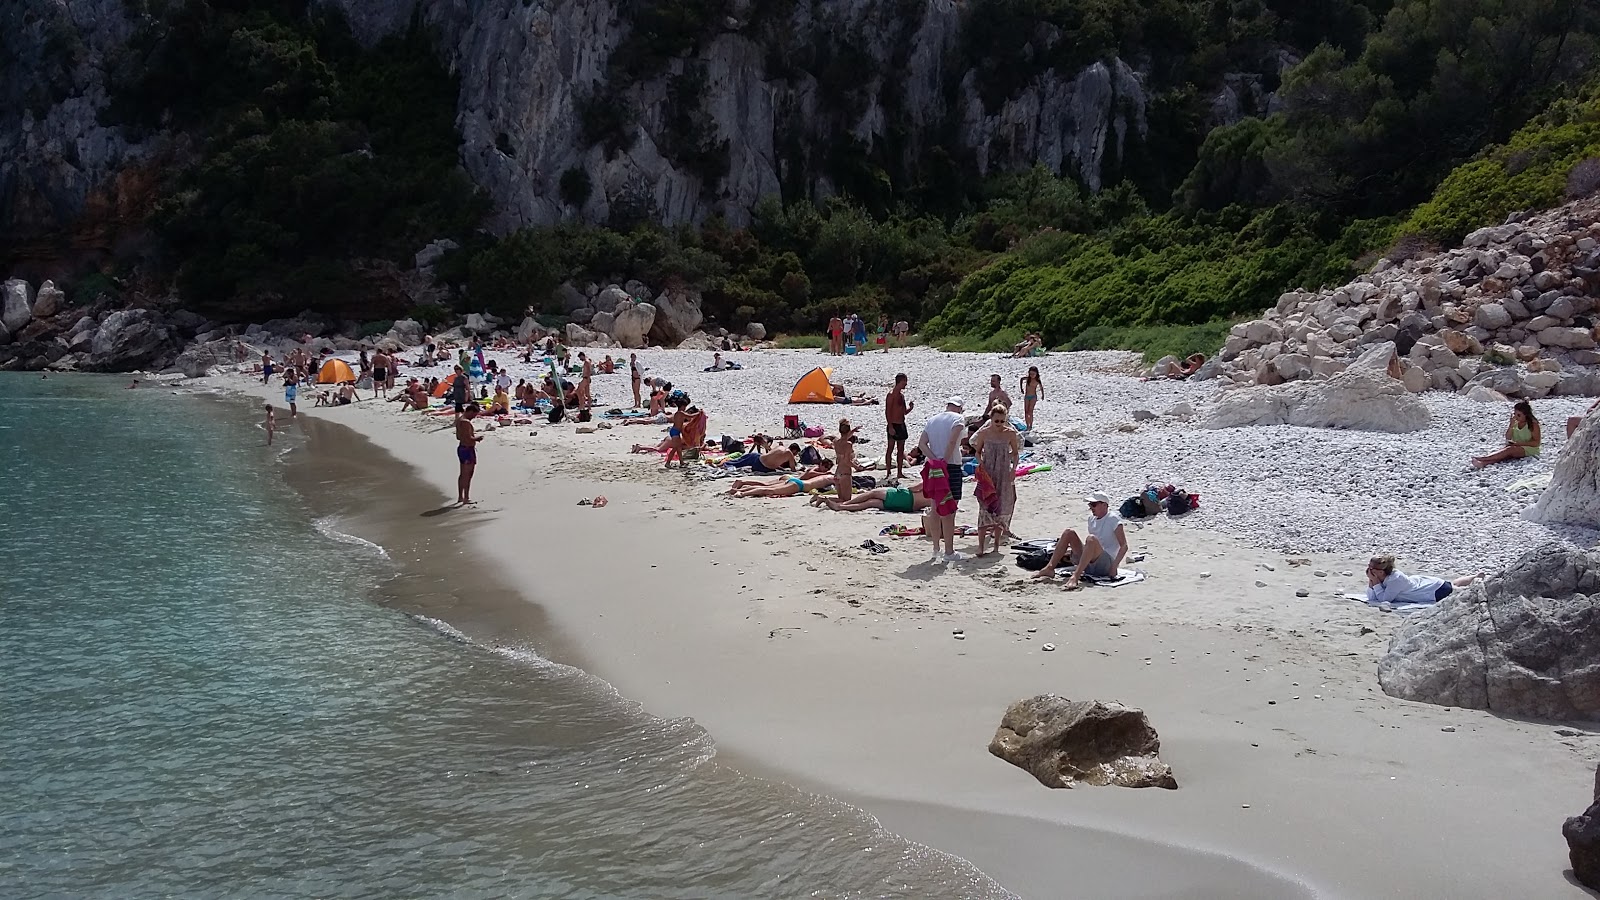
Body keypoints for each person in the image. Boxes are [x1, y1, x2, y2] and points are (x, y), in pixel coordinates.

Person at [1032, 492, 1128, 590]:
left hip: (1107, 563)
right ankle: (1049, 568)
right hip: (1093, 560)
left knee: (1091, 539)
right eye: (1090, 504)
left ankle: (1075, 576)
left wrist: (1114, 567)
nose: (1091, 508)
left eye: (1094, 504)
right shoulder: (1091, 519)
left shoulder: (1113, 519)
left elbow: (1124, 546)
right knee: (1068, 533)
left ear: (1104, 505)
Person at [919, 396, 966, 563]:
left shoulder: (932, 420)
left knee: (935, 505)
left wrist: (934, 460)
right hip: (950, 466)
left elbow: (922, 444)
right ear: (959, 408)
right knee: (949, 509)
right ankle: (949, 551)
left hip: (932, 467)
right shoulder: (958, 419)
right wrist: (944, 461)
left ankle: (936, 548)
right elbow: (953, 441)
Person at [971, 404, 1021, 557]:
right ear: (991, 419)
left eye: (1002, 421)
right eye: (996, 421)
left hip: (1003, 473)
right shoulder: (984, 433)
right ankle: (980, 547)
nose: (999, 424)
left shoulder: (1010, 433)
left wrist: (1013, 469)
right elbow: (977, 452)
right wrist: (981, 464)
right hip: (988, 473)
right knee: (984, 507)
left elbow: (1015, 453)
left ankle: (996, 546)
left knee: (1000, 507)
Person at [1366, 556, 1481, 604]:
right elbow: (1372, 598)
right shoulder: (1380, 577)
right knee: (1452, 584)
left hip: (1432, 590)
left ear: (1381, 571)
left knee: (1455, 590)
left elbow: (1384, 600)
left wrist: (1374, 582)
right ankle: (1475, 577)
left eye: (1371, 568)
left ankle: (1478, 582)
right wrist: (1372, 582)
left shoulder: (1395, 579)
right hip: (1426, 584)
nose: (1368, 570)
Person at [1472, 401, 1541, 468]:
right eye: (1515, 414)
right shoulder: (1515, 423)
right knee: (1505, 454)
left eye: (1519, 415)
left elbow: (1536, 443)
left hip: (1530, 449)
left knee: (1509, 450)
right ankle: (1483, 463)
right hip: (1517, 446)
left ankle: (1484, 458)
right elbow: (1508, 437)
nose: (1516, 417)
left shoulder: (1533, 425)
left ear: (1526, 415)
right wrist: (1511, 426)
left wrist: (1518, 444)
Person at [819, 482, 928, 513]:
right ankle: (840, 507)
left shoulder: (931, 482)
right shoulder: (941, 493)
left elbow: (913, 488)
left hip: (906, 497)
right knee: (870, 503)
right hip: (910, 507)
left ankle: (844, 504)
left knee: (873, 493)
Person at [885, 373, 914, 479]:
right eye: (904, 381)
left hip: (901, 424)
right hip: (893, 425)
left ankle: (899, 472)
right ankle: (888, 472)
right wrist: (890, 426)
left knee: (901, 450)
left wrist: (910, 408)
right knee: (890, 449)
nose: (906, 384)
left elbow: (903, 412)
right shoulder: (891, 395)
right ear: (899, 381)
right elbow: (887, 412)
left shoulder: (901, 396)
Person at [455, 405, 482, 504]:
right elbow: (469, 437)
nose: (474, 417)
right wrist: (477, 438)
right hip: (467, 449)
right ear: (470, 411)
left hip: (462, 448)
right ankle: (466, 497)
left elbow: (459, 437)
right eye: (474, 415)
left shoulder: (459, 420)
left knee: (463, 474)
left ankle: (460, 497)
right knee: (468, 474)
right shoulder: (465, 422)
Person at [724, 443, 800, 473]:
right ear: (794, 450)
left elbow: (772, 458)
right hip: (762, 466)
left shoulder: (780, 447)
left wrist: (781, 468)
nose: (795, 455)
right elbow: (793, 469)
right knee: (739, 464)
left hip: (757, 457)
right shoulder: (789, 454)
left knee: (738, 462)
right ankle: (725, 464)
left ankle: (724, 463)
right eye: (795, 453)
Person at [835, 418, 856, 503]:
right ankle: (822, 498)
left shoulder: (836, 442)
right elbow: (847, 461)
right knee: (846, 500)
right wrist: (857, 467)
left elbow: (845, 436)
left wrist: (853, 431)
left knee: (841, 500)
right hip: (845, 473)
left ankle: (822, 498)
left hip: (838, 473)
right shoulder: (848, 444)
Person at [1019, 366, 1044, 432]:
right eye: (1031, 374)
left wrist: (1042, 395)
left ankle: (1031, 425)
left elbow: (1041, 388)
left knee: (1030, 411)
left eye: (1033, 374)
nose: (1032, 376)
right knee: (1026, 411)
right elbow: (1021, 379)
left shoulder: (1037, 380)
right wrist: (1021, 388)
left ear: (1036, 374)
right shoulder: (1028, 379)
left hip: (1033, 397)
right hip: (1027, 396)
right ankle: (1027, 425)